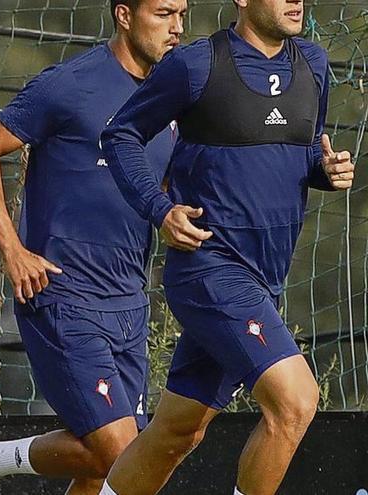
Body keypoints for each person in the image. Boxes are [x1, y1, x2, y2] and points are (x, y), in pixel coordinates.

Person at [97, 0, 355, 493]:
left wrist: (325, 171)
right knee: (296, 401)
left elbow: (300, 151)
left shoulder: (314, 64)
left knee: (177, 431)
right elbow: (121, 135)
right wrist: (159, 208)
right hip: (209, 270)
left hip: (266, 279)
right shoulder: (196, 65)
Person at [0, 0, 185, 493]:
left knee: (102, 470)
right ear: (124, 15)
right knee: (122, 456)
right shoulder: (70, 83)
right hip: (62, 295)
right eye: (163, 13)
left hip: (129, 304)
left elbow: (158, 191)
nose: (176, 28)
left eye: (181, 14)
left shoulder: (171, 102)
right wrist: (13, 250)